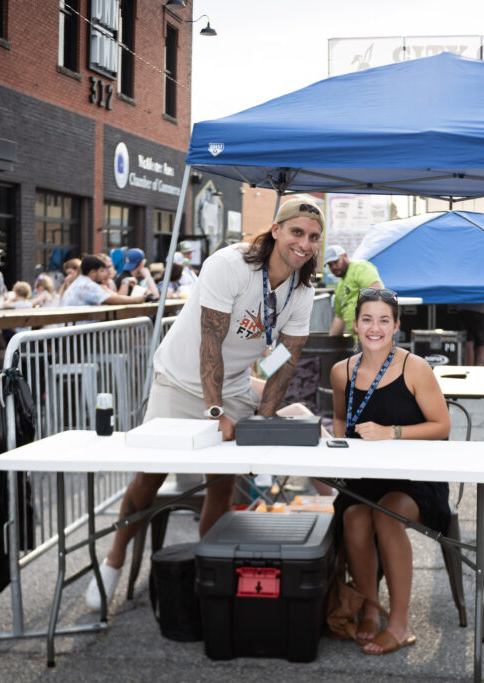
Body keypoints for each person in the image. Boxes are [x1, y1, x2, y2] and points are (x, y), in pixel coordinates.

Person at [84, 195, 325, 611]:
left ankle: (205, 571)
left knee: (221, 482)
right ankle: (114, 559)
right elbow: (210, 341)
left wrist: (264, 418)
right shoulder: (231, 264)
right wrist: (216, 415)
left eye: (314, 237)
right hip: (180, 379)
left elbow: (285, 358)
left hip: (232, 384)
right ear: (276, 230)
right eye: (297, 232)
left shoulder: (302, 289)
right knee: (150, 475)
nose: (304, 243)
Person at [330, 287, 450, 655]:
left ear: (396, 326)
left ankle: (399, 625)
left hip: (416, 478)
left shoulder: (415, 368)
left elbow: (442, 426)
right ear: (355, 324)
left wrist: (391, 433)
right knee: (354, 518)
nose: (375, 328)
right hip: (366, 476)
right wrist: (341, 447)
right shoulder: (341, 371)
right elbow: (340, 418)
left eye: (384, 320)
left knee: (386, 515)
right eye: (367, 319)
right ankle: (370, 609)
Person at [326, 245, 383, 339]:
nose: (334, 267)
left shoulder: (359, 268)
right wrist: (330, 341)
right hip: (361, 339)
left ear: (345, 256)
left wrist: (362, 320)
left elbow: (375, 292)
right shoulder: (339, 286)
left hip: (377, 335)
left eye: (336, 262)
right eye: (330, 265)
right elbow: (339, 317)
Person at [60, 254, 146, 306]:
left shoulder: (80, 281)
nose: (104, 274)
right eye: (101, 271)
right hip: (80, 328)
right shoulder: (88, 285)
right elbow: (112, 300)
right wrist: (139, 299)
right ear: (93, 272)